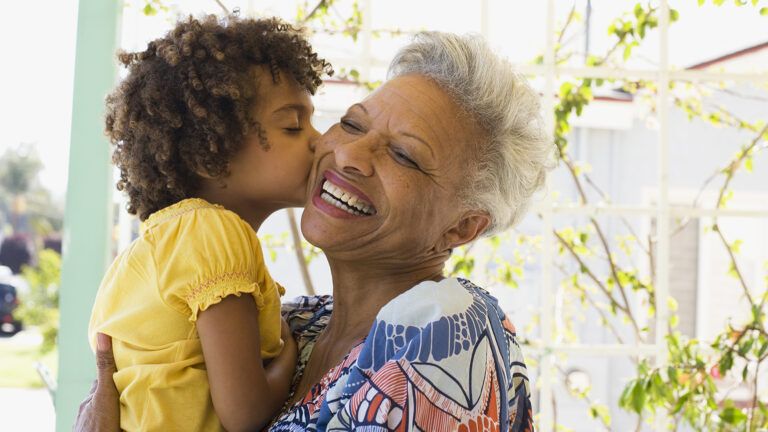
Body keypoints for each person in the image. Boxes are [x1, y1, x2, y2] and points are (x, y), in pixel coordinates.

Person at [77, 30, 553, 431]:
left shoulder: (445, 331)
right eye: (351, 123)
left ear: (462, 227)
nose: (346, 154)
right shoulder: (296, 323)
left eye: (403, 155)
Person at [88, 15, 332, 432]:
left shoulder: (154, 249)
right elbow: (245, 413)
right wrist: (295, 355)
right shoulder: (215, 234)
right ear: (209, 153)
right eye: (292, 125)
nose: (319, 139)